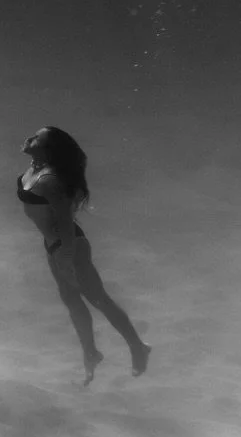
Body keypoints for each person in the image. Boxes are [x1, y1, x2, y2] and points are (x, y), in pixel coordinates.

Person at [18, 126, 151, 385]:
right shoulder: (36, 168)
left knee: (98, 299)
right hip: (54, 245)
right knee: (72, 301)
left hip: (69, 247)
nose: (29, 138)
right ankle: (90, 353)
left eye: (36, 139)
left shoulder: (50, 181)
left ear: (47, 151)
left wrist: (65, 258)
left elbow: (66, 223)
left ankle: (137, 346)